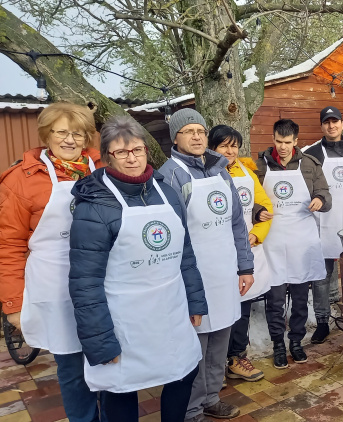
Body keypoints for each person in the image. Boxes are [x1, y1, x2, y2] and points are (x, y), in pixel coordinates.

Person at [69, 116, 205, 422]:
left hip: (170, 309)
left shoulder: (165, 192)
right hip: (123, 318)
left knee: (184, 371)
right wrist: (100, 339)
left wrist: (195, 301)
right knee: (120, 387)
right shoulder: (96, 204)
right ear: (107, 157)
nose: (132, 158)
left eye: (138, 150)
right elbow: (85, 281)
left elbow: (185, 252)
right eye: (122, 152)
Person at [0, 102, 101, 422]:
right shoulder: (21, 179)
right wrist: (14, 304)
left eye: (78, 133)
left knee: (111, 360)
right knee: (72, 368)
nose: (70, 140)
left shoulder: (103, 170)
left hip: (104, 281)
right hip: (54, 286)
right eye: (61, 132)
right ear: (47, 134)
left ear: (87, 138)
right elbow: (8, 245)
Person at [159, 109, 254, 422]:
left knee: (220, 338)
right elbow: (171, 234)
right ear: (176, 138)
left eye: (201, 130)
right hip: (194, 277)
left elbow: (238, 224)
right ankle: (190, 409)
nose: (197, 137)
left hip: (224, 272)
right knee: (196, 345)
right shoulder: (170, 175)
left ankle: (212, 397)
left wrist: (245, 267)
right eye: (189, 131)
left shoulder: (220, 170)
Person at [255, 119, 331, 370]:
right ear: (273, 138)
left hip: (302, 240)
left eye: (288, 142)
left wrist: (320, 199)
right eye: (279, 141)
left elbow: (326, 195)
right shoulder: (260, 165)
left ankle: (296, 342)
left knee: (299, 297)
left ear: (296, 141)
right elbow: (249, 199)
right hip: (273, 241)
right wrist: (257, 212)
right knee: (275, 298)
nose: (283, 147)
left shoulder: (310, 164)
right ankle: (278, 344)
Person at [207, 125, 271, 383]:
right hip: (218, 252)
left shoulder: (247, 172)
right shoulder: (207, 174)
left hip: (246, 250)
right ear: (213, 148)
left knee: (243, 306)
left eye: (234, 146)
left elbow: (264, 205)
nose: (230, 151)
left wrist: (257, 233)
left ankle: (236, 358)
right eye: (224, 146)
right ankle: (213, 368)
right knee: (218, 308)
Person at [304, 106, 343, 344]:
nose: (332, 126)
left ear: (342, 123)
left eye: (335, 121)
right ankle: (322, 322)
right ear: (322, 126)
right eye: (327, 122)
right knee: (321, 277)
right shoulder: (312, 154)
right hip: (322, 224)